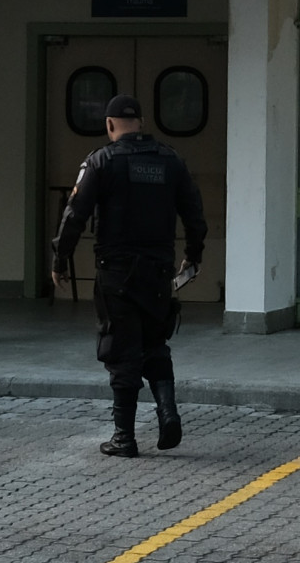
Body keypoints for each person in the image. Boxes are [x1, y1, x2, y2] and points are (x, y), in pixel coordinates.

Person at [50, 94, 208, 458]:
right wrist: (193, 256)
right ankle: (168, 411)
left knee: (120, 349)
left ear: (109, 125)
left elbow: (75, 214)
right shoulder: (171, 161)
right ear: (140, 122)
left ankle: (124, 436)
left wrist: (60, 259)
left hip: (116, 273)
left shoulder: (101, 161)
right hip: (158, 272)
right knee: (155, 341)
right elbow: (194, 213)